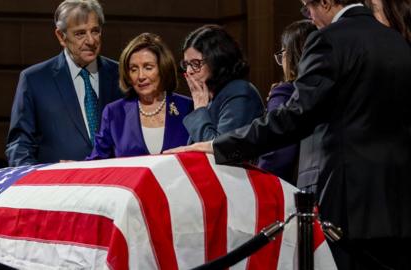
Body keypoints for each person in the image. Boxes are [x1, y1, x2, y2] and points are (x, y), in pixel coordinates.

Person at [166, 1, 411, 269]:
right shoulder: (397, 42)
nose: (310, 17)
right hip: (398, 202)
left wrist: (219, 145)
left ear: (327, 1)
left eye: (308, 7)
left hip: (346, 201)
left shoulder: (328, 40)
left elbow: (295, 117)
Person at [6, 0, 122, 166]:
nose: (91, 40)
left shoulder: (120, 75)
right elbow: (20, 145)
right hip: (57, 188)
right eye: (80, 33)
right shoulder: (34, 80)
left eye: (95, 31)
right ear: (61, 36)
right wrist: (36, 182)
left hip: (113, 185)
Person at [86, 33, 193, 159]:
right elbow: (97, 161)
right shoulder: (114, 113)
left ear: (163, 68)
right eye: (133, 69)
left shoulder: (187, 108)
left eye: (148, 67)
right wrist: (74, 169)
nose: (141, 76)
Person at [180, 25, 264, 143]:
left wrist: (199, 109)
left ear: (217, 60)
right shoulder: (213, 95)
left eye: (196, 63)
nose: (189, 71)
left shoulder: (239, 92)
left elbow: (219, 150)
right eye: (186, 64)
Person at [258, 20, 317, 184]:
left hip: (287, 189)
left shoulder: (285, 93)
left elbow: (275, 152)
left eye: (283, 53)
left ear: (292, 55)